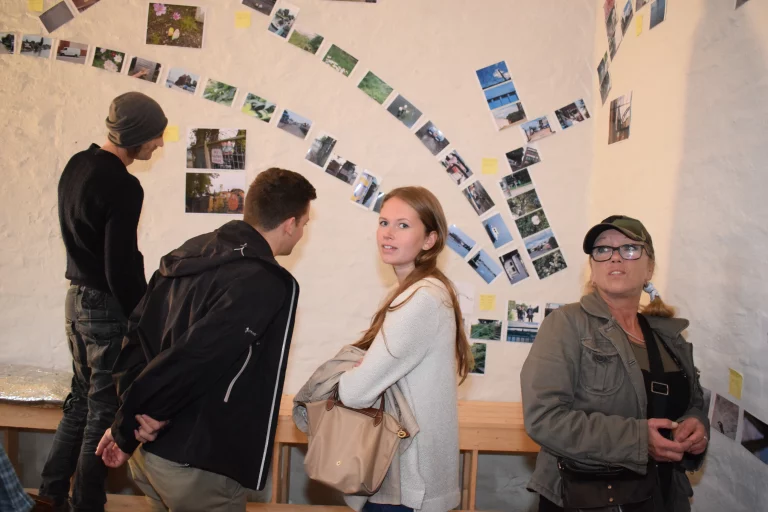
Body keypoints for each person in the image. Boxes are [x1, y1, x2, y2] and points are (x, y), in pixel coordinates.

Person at [95, 168, 316, 512]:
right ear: (289, 223)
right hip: (197, 460)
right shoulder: (264, 280)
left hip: (149, 451)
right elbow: (196, 358)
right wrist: (138, 419)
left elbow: (136, 337)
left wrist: (129, 418)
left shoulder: (190, 252)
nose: (302, 232)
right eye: (304, 223)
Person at [521, 215, 709, 512]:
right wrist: (637, 439)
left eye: (630, 248)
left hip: (664, 496)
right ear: (593, 270)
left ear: (649, 268)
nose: (614, 257)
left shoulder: (669, 337)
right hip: (590, 499)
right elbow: (544, 419)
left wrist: (697, 426)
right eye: (602, 250)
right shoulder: (566, 325)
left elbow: (694, 402)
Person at [40, 92, 167, 512]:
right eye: (154, 137)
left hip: (74, 302)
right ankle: (87, 505)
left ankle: (51, 495)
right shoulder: (124, 185)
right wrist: (143, 314)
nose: (159, 145)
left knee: (79, 401)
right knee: (102, 409)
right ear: (135, 136)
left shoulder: (78, 165)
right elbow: (119, 268)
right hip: (104, 307)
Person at [337, 187, 473, 512]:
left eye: (403, 225)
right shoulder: (423, 290)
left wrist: (344, 378)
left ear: (430, 240)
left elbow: (356, 392)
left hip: (407, 483)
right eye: (384, 222)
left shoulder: (421, 299)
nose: (388, 233)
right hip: (405, 477)